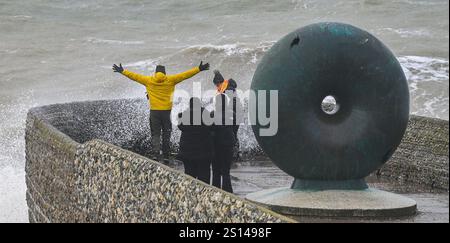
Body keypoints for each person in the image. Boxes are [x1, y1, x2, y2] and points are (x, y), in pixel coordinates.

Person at [112, 61, 210, 163]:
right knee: (166, 134)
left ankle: (155, 155)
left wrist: (122, 71)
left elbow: (134, 76)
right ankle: (166, 156)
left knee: (156, 134)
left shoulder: (148, 80)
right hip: (166, 112)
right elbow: (185, 75)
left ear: (155, 73)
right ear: (165, 73)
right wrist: (199, 69)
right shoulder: (171, 80)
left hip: (154, 112)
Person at [177, 97, 213, 184]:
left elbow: (180, 126)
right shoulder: (205, 114)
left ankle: (190, 194)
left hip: (187, 153)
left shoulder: (184, 114)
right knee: (204, 177)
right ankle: (204, 195)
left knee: (189, 176)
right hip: (204, 153)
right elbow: (212, 126)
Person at [212, 70, 242, 161]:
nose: (217, 87)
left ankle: (235, 153)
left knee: (232, 133)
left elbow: (231, 104)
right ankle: (235, 153)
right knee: (232, 133)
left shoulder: (228, 89)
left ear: (220, 82)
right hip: (234, 114)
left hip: (234, 114)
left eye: (217, 85)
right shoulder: (227, 88)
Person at [211, 93, 236, 193]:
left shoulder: (212, 114)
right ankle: (228, 192)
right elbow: (235, 128)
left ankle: (215, 192)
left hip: (216, 145)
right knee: (226, 171)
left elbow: (210, 129)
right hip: (228, 144)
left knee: (216, 171)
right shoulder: (232, 114)